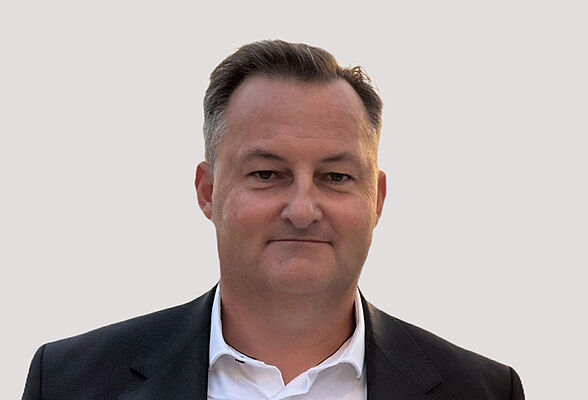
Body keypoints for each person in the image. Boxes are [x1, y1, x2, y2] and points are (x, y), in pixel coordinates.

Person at [22, 40, 525, 399]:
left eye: (336, 177)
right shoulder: (70, 383)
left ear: (377, 200)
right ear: (208, 191)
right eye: (267, 174)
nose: (303, 210)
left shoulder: (481, 391)